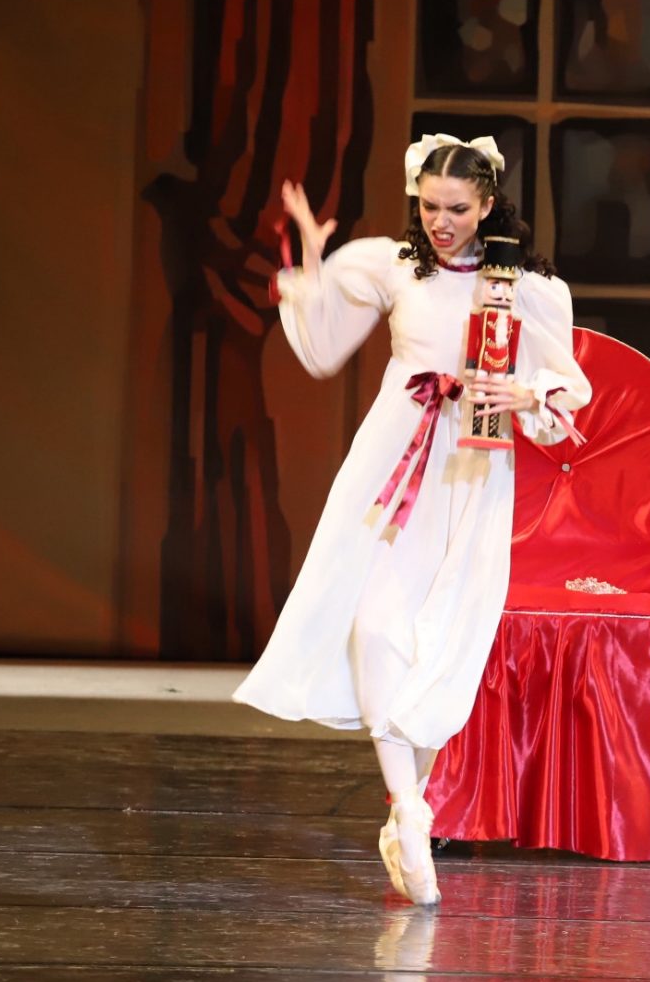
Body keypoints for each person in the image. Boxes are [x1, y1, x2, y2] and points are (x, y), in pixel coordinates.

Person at [234, 135, 590, 906]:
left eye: (456, 208)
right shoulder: (396, 266)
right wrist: (313, 265)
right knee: (374, 627)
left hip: (472, 472)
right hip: (393, 461)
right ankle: (408, 809)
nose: (440, 222)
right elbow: (322, 346)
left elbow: (568, 392)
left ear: (488, 205)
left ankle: (408, 809)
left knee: (439, 640)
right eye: (429, 207)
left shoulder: (525, 289)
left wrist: (526, 394)